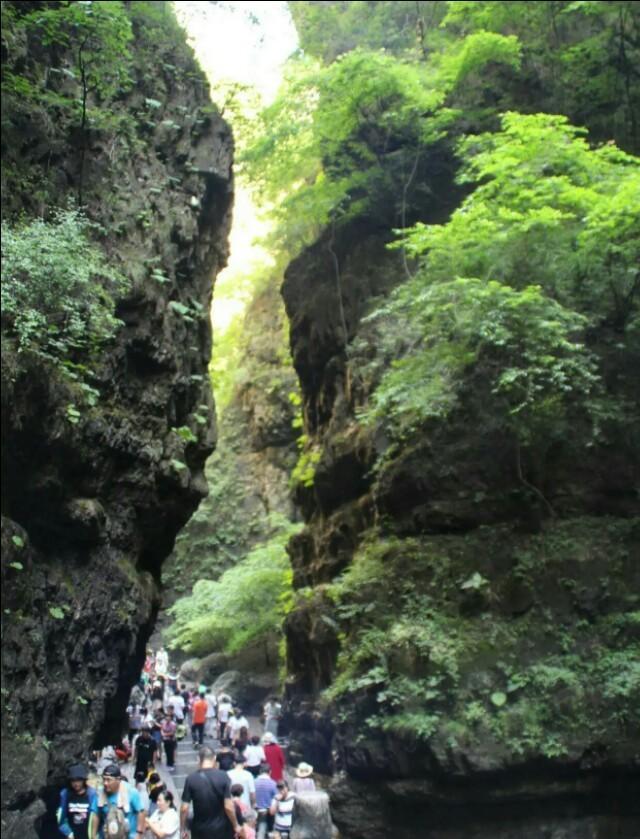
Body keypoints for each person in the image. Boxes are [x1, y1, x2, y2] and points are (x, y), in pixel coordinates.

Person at [180, 746, 242, 839]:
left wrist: (183, 828)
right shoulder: (223, 776)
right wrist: (236, 825)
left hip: (199, 831)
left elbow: (184, 808)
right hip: (221, 830)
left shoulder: (190, 779)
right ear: (214, 758)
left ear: (198, 759)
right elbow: (228, 806)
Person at [97, 763, 146, 839]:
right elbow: (95, 814)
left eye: (109, 780)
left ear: (118, 780)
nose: (105, 783)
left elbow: (141, 812)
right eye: (104, 779)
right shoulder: (100, 793)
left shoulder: (131, 792)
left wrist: (139, 834)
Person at [57, 763, 98, 839]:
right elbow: (61, 818)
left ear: (83, 780)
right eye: (73, 780)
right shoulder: (65, 794)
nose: (76, 783)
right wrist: (69, 833)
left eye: (78, 780)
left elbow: (96, 817)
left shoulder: (92, 794)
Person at [254, 764, 277, 839]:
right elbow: (276, 798)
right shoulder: (273, 783)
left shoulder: (254, 782)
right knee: (267, 830)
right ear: (270, 772)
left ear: (260, 771)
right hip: (268, 811)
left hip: (255, 810)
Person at [161, 707, 178, 772]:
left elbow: (172, 732)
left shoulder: (173, 724)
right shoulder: (164, 723)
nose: (167, 718)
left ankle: (171, 765)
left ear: (171, 718)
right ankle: (168, 764)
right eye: (166, 717)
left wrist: (165, 734)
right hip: (165, 740)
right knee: (167, 752)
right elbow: (162, 729)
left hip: (171, 740)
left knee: (171, 752)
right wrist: (162, 733)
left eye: (169, 717)